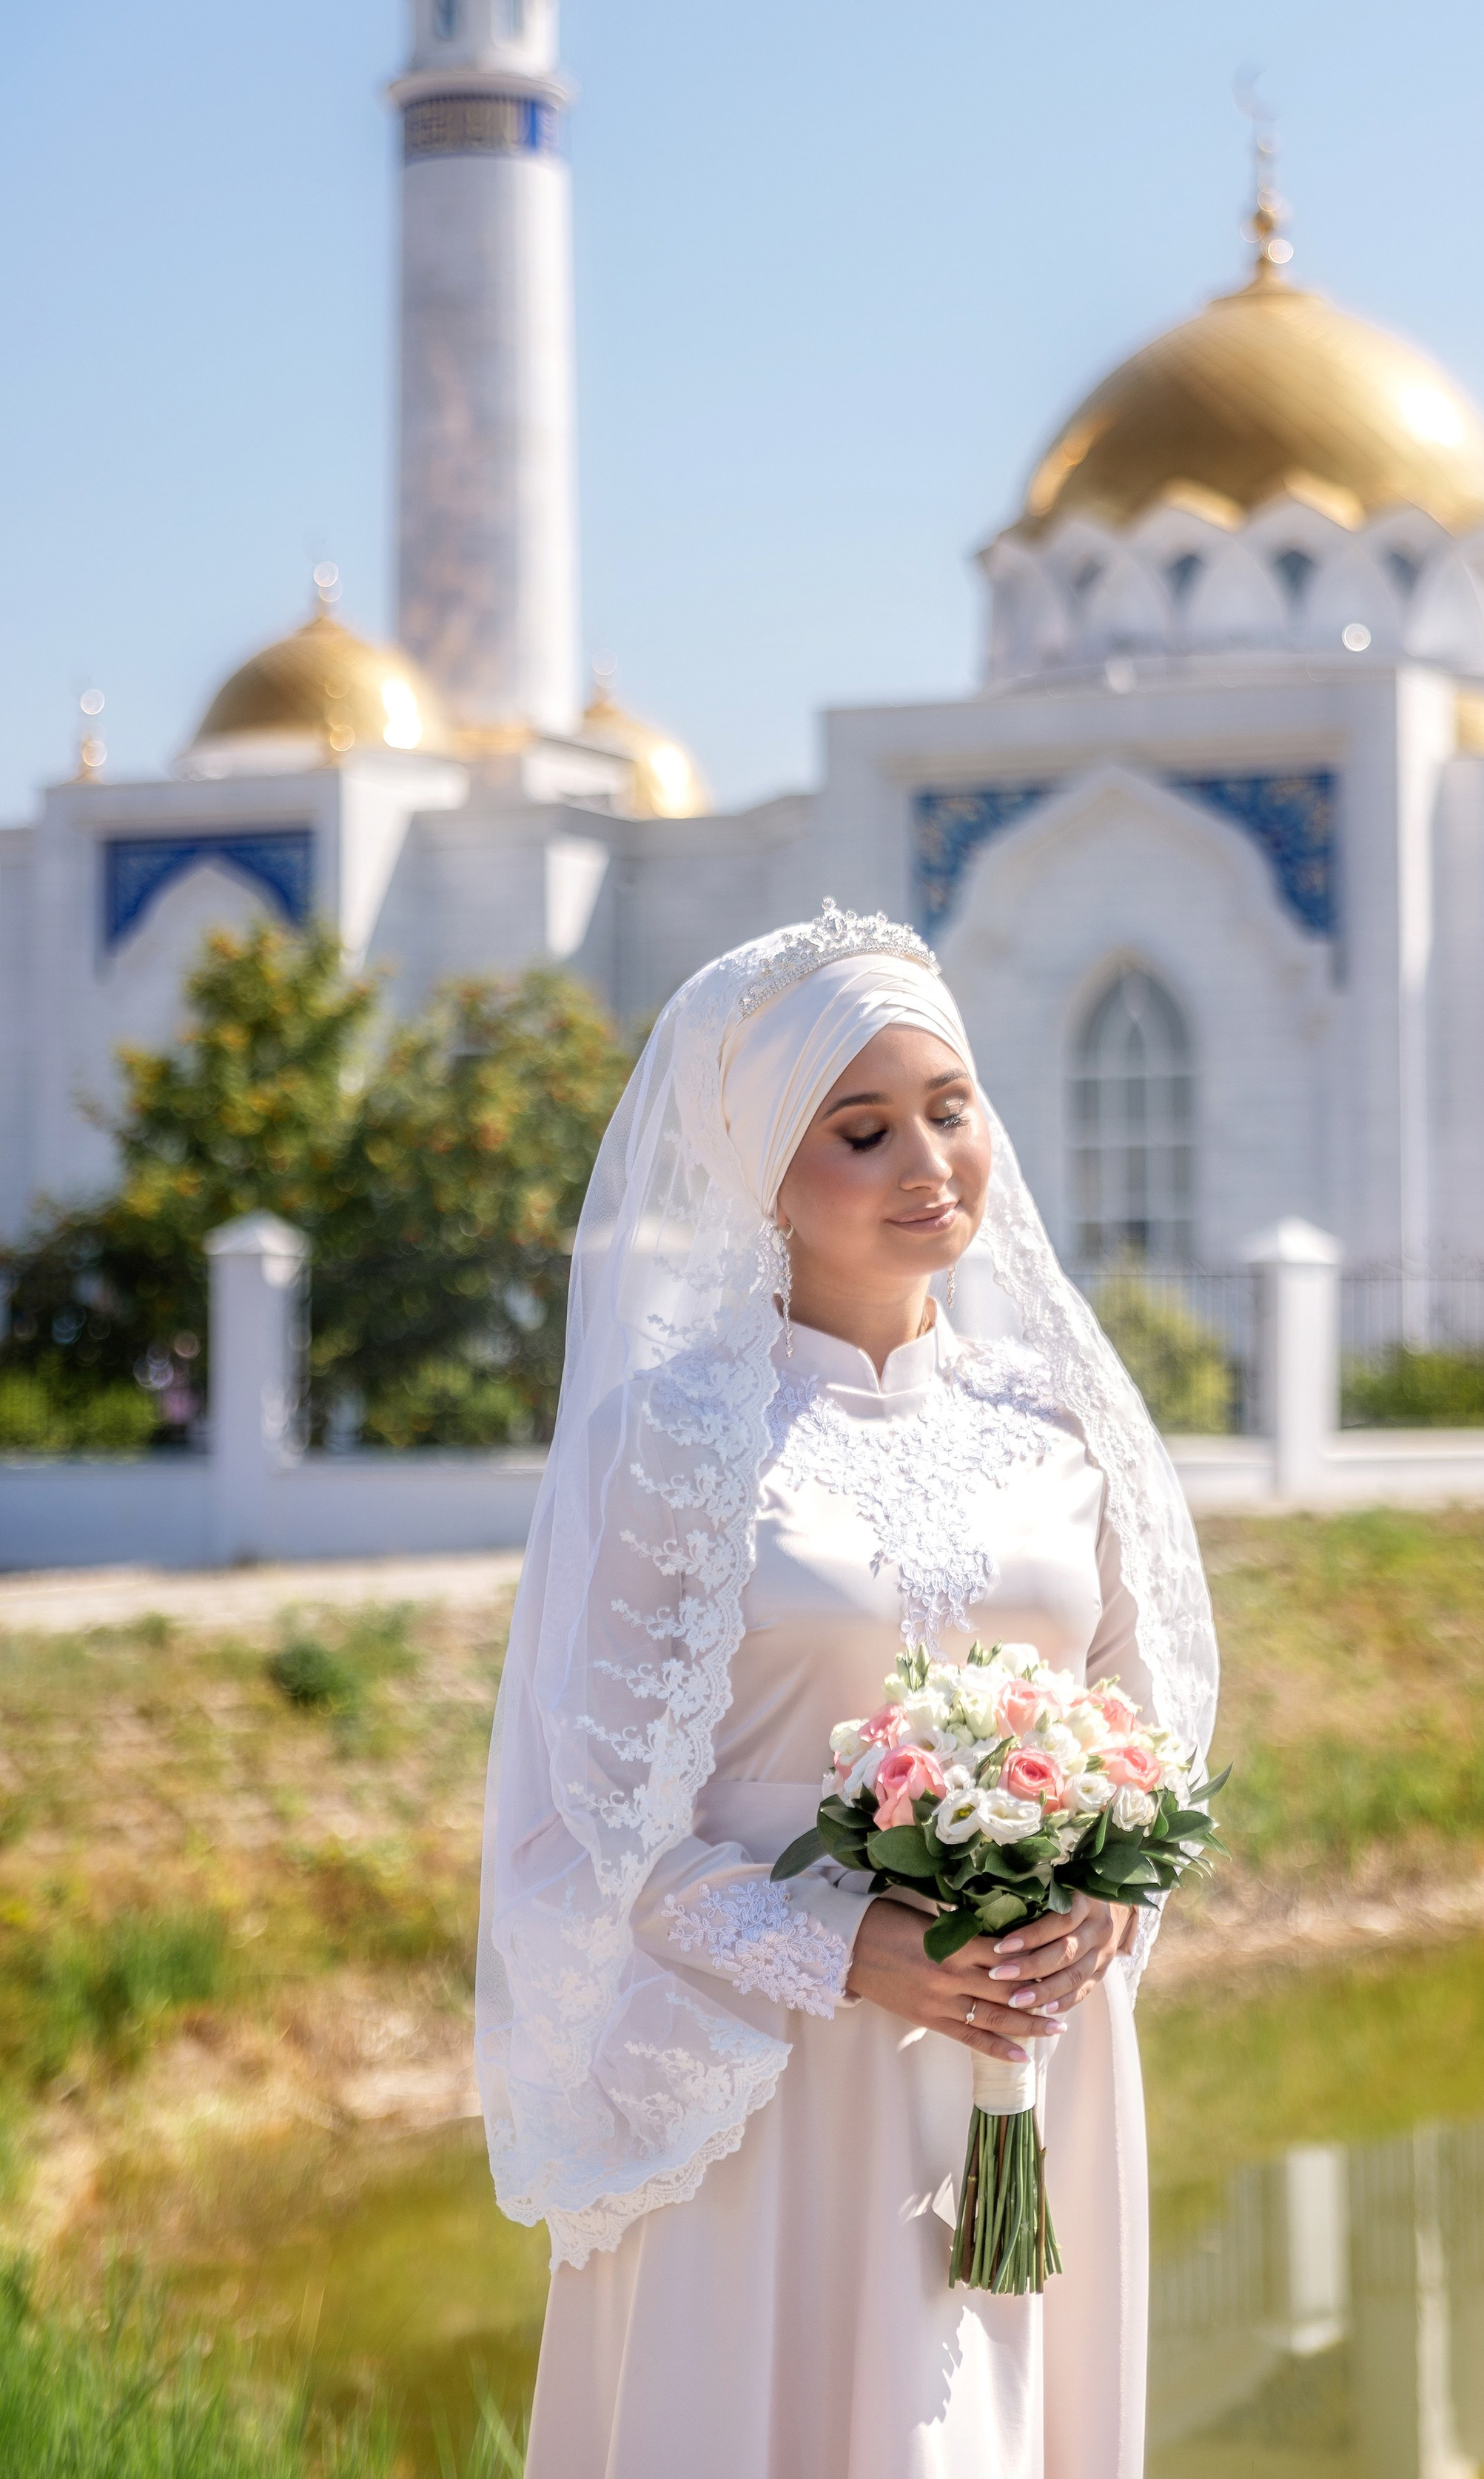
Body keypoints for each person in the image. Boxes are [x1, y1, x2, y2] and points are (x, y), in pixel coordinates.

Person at [480, 901, 1218, 2478]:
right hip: (780, 2085)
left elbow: (1143, 1729)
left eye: (949, 1109)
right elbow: (595, 1840)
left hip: (1032, 2053)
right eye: (862, 1129)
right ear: (764, 1169)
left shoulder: (1061, 1423)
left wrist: (1103, 1909)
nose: (926, 1161)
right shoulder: (665, 1443)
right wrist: (853, 1945)